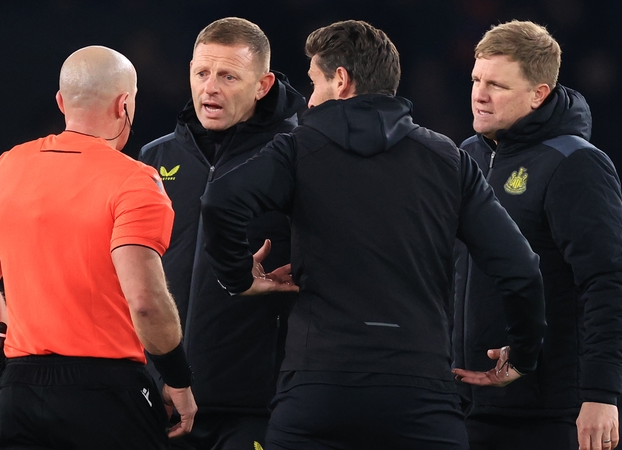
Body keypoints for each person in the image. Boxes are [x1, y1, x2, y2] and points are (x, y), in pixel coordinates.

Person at [199, 20, 547, 450]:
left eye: (314, 83)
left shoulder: (297, 148)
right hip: (421, 396)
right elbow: (521, 269)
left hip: (317, 391)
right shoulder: (449, 160)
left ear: (341, 81)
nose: (308, 100)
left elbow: (219, 202)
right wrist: (524, 354)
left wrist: (239, 277)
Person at [0, 45, 197, 450]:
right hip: (106, 397)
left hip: (18, 396)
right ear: (125, 104)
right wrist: (177, 379)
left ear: (61, 101)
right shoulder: (134, 181)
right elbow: (145, 301)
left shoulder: (6, 168)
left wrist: (20, 363)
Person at [451, 20, 622, 450]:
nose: (479, 93)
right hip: (466, 407)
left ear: (538, 94)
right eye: (477, 78)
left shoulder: (575, 164)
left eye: (497, 84)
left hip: (548, 415)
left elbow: (610, 281)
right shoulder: (466, 156)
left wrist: (599, 394)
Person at [138, 17, 305, 450]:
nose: (209, 88)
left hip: (255, 408)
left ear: (263, 85)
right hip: (164, 398)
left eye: (228, 76)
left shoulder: (297, 158)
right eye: (202, 73)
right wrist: (158, 375)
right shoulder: (155, 157)